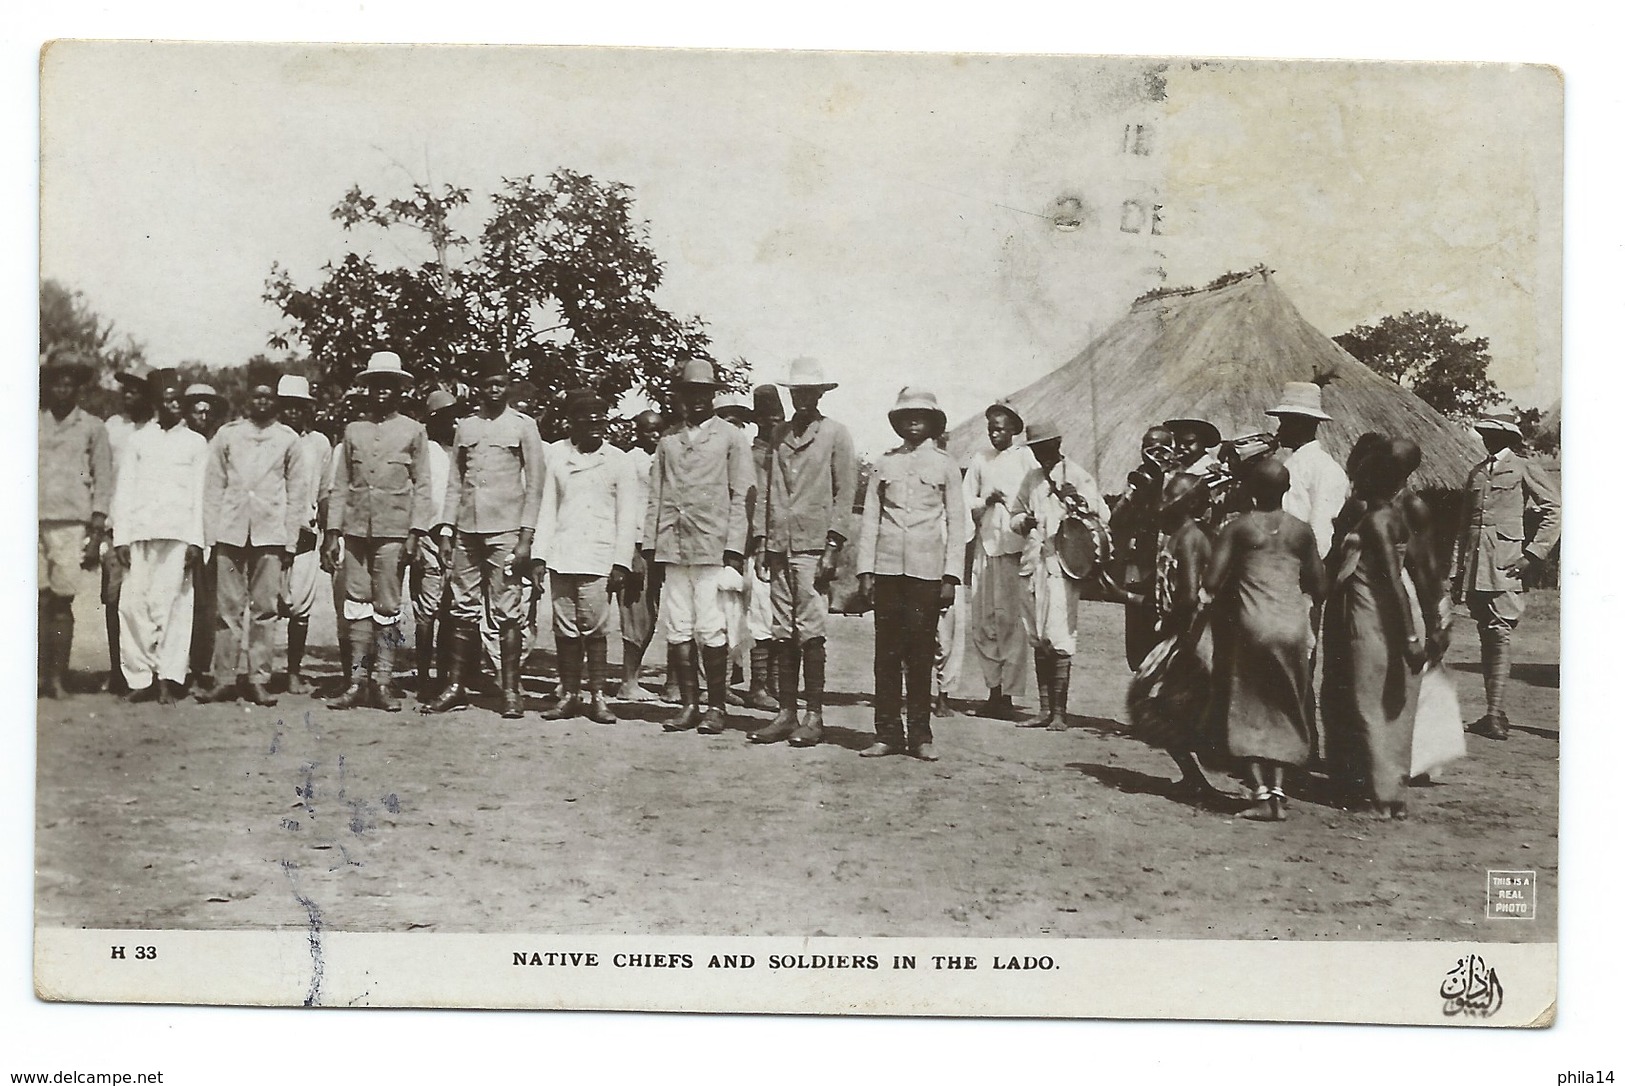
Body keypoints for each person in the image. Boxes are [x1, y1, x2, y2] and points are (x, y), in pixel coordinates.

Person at [424, 352, 546, 718]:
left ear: (508, 386)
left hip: (506, 530)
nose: (495, 390)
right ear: (478, 388)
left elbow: (536, 485)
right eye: (489, 384)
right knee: (462, 607)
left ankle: (510, 690)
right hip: (467, 531)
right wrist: (447, 529)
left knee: (508, 611)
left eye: (501, 383)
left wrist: (525, 538)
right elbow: (455, 483)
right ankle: (457, 687)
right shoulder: (467, 427)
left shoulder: (524, 426)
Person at [1203, 459, 1325, 821]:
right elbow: (1320, 583)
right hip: (1291, 627)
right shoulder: (1301, 531)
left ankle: (1260, 795)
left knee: (1249, 706)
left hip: (1252, 625)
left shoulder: (1239, 527)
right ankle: (1279, 791)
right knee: (1285, 703)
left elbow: (1211, 580)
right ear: (1287, 490)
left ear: (1249, 489)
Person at [855, 387, 967, 761]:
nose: (913, 421)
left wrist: (951, 577)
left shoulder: (946, 465)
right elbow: (870, 519)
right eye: (906, 415)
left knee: (920, 653)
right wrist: (865, 570)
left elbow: (957, 522)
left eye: (920, 415)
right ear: (898, 422)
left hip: (926, 573)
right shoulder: (884, 464)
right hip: (887, 570)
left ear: (934, 422)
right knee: (886, 655)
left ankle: (920, 734)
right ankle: (887, 732)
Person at [642, 359, 753, 734]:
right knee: (678, 627)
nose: (698, 400)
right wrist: (650, 545)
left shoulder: (730, 438)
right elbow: (655, 496)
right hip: (673, 545)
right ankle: (689, 704)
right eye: (691, 393)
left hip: (713, 545)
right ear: (681, 396)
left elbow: (742, 495)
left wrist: (735, 547)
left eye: (704, 393)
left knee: (712, 627)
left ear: (713, 394)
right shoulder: (668, 440)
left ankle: (716, 706)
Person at [750, 360, 857, 748]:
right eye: (797, 392)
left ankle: (814, 715)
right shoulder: (778, 434)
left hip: (814, 547)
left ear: (821, 394)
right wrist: (763, 541)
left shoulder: (835, 434)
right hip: (780, 546)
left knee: (810, 631)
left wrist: (833, 545)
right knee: (781, 631)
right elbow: (767, 491)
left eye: (810, 392)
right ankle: (786, 713)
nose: (804, 399)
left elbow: (846, 493)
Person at [1322, 441, 1431, 818]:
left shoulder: (1376, 521)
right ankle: (1390, 793)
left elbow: (1393, 580)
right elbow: (1417, 566)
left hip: (1372, 616)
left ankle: (1381, 797)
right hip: (1383, 615)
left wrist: (1412, 638)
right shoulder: (1395, 516)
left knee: (1367, 702)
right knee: (1390, 703)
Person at [322, 352, 435, 712]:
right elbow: (341, 485)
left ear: (400, 390)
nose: (381, 393)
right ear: (366, 390)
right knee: (355, 605)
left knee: (387, 606)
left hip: (394, 532)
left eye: (389, 386)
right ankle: (356, 681)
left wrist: (416, 532)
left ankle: (382, 683)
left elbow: (424, 485)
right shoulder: (353, 430)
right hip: (355, 532)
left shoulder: (414, 430)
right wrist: (332, 531)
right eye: (375, 386)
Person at [196, 374, 306, 706]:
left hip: (269, 533)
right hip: (230, 531)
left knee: (265, 610)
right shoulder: (228, 435)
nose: (261, 402)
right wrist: (210, 536)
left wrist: (289, 542)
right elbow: (213, 488)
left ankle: (259, 678)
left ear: (276, 402)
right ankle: (224, 678)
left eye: (267, 397)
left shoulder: (288, 440)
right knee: (226, 610)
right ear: (247, 401)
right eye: (255, 396)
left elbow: (297, 493)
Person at [1450, 409, 1560, 740]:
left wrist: (1533, 554)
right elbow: (1464, 524)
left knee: (1499, 631)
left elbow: (1554, 510)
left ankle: (1494, 714)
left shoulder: (1524, 467)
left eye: (1492, 432)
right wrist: (1458, 569)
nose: (1486, 437)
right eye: (1484, 431)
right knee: (1487, 631)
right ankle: (1493, 711)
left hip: (1506, 562)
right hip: (1476, 564)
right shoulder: (1478, 472)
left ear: (1507, 437)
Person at [533, 394, 639, 725]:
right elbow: (547, 509)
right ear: (572, 423)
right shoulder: (557, 456)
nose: (596, 427)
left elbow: (627, 515)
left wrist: (621, 562)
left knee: (594, 628)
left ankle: (598, 697)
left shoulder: (618, 460)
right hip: (563, 555)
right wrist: (539, 556)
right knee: (564, 628)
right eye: (588, 421)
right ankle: (568, 694)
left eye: (600, 420)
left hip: (599, 556)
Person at [110, 372, 207, 705]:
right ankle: (141, 678)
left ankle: (168, 678)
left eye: (178, 398)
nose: (174, 404)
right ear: (156, 403)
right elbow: (124, 490)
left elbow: (199, 495)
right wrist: (121, 538)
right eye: (167, 399)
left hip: (179, 534)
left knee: (174, 607)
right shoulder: (139, 440)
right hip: (140, 533)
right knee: (133, 605)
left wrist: (197, 540)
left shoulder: (196, 443)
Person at [1124, 473, 1221, 798]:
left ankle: (1202, 778)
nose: (1166, 504)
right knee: (1156, 702)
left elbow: (1189, 596)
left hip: (1192, 633)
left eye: (1174, 499)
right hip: (1181, 630)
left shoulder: (1191, 537)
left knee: (1156, 701)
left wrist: (1172, 631)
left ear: (1191, 504)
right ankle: (1195, 777)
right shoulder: (1177, 535)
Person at [1008, 419, 1106, 731]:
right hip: (1032, 563)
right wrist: (1024, 522)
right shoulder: (1032, 478)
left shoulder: (1076, 474)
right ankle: (1044, 709)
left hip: (1062, 567)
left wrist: (1076, 499)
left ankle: (1060, 714)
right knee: (1037, 636)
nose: (1039, 453)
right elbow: (1014, 515)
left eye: (1044, 446)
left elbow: (1102, 515)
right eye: (1034, 448)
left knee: (1060, 635)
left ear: (1058, 442)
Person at [38, 352, 113, 698]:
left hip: (71, 523)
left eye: (70, 382)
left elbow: (103, 477)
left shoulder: (92, 427)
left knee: (61, 600)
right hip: (31, 519)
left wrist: (97, 526)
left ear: (78, 386)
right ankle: (35, 676)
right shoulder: (32, 420)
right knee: (34, 598)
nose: (63, 388)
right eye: (57, 381)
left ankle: (56, 677)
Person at [961, 399, 1036, 718]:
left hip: (1014, 548)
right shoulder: (981, 459)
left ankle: (1008, 695)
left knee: (1011, 623)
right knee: (983, 620)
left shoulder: (1025, 458)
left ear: (1014, 430)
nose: (995, 433)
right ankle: (992, 691)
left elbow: (1035, 496)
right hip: (986, 545)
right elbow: (965, 500)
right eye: (991, 428)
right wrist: (984, 500)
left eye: (1001, 428)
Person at [101, 362, 158, 694]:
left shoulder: (157, 430)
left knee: (149, 599)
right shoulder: (112, 428)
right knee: (114, 598)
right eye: (124, 389)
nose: (128, 395)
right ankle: (116, 670)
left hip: (150, 527)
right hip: (117, 526)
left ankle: (149, 670)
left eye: (135, 389)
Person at [276, 374, 331, 694]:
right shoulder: (272, 438)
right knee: (268, 604)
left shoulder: (320, 443)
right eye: (287, 406)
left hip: (306, 531)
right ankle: (260, 671)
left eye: (299, 406)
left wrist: (327, 536)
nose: (293, 412)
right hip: (272, 531)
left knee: (300, 606)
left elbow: (325, 490)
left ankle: (293, 670)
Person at [409, 390, 461, 703]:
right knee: (426, 610)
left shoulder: (460, 449)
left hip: (457, 535)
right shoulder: (424, 449)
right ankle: (424, 676)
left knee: (452, 610)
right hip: (428, 534)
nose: (453, 422)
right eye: (446, 416)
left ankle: (447, 677)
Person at [1111, 425, 1177, 670]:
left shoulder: (1179, 481)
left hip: (1167, 568)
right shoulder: (1138, 479)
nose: (1154, 453)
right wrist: (1134, 493)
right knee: (1137, 637)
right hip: (1138, 566)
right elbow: (1115, 519)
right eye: (1148, 447)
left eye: (1161, 448)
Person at [1266, 381, 1349, 561]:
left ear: (1302, 424)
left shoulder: (1325, 469)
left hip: (1298, 562)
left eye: (1286, 423)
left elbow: (1321, 530)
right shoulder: (1292, 462)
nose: (1280, 430)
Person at [615, 409, 664, 701]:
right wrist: (632, 551)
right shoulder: (629, 461)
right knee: (635, 613)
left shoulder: (664, 457)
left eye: (659, 429)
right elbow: (628, 507)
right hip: (635, 544)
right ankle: (628, 681)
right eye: (648, 430)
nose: (654, 435)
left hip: (659, 544)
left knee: (651, 613)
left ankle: (633, 679)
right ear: (638, 432)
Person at [182, 382, 226, 689]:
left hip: (212, 530)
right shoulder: (178, 441)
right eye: (197, 410)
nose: (202, 415)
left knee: (207, 603)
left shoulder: (218, 442)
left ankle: (201, 666)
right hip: (181, 528)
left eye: (207, 411)